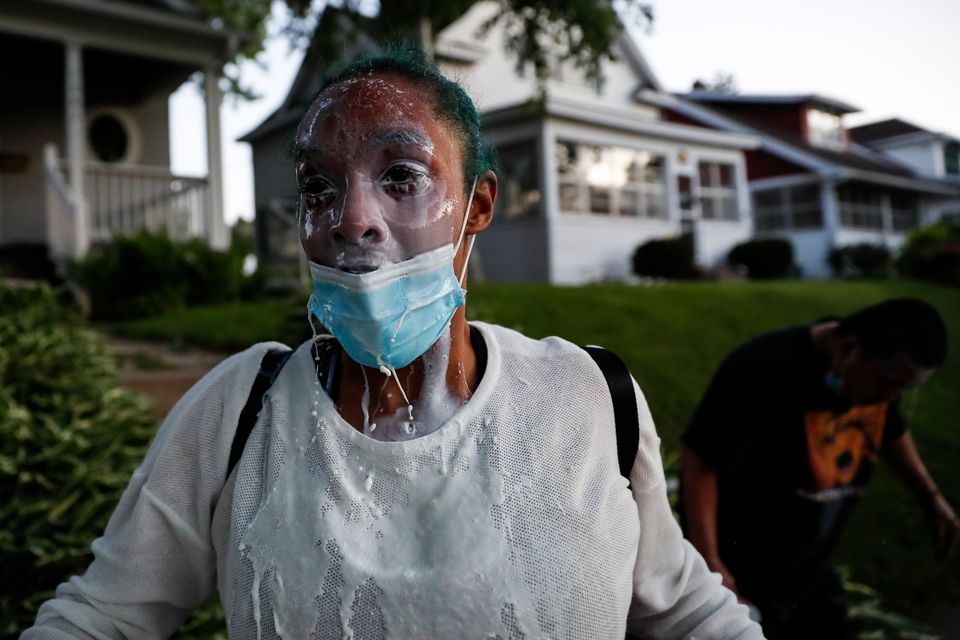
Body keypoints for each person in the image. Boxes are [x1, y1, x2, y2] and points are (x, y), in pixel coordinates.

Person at [23, 49, 762, 639]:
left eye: (402, 175)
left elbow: (685, 609)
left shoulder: (589, 397)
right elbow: (103, 618)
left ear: (477, 205)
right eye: (318, 184)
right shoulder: (240, 415)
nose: (351, 218)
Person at [680, 298, 960, 639]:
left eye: (903, 388)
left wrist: (930, 497)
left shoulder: (874, 378)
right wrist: (713, 566)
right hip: (747, 566)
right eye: (890, 383)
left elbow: (890, 428)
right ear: (848, 348)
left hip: (809, 570)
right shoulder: (764, 368)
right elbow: (701, 461)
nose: (890, 397)